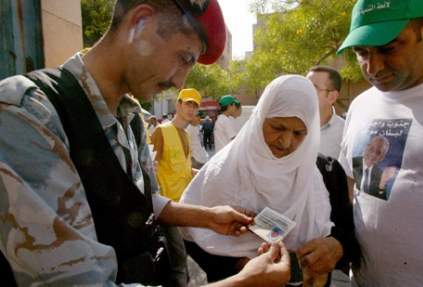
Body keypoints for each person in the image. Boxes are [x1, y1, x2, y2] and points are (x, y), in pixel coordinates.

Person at [0, 0, 291, 286]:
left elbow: (141, 200)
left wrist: (207, 217)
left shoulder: (131, 117)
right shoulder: (27, 113)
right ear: (141, 23)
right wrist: (244, 283)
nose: (180, 82)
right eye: (185, 58)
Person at [181, 75, 356, 285]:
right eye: (278, 128)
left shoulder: (326, 173)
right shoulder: (225, 169)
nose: (286, 142)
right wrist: (241, 267)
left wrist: (336, 246)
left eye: (299, 133)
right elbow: (191, 232)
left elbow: (348, 230)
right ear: (260, 118)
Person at [336, 0, 423, 286]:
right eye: (361, 52)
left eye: (388, 48)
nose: (373, 67)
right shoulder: (361, 105)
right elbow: (352, 186)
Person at [151, 88, 200, 201]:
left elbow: (182, 170)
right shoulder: (161, 131)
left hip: (184, 202)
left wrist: (203, 173)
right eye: (188, 104)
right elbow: (149, 170)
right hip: (167, 205)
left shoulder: (187, 136)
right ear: (178, 105)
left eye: (195, 106)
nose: (191, 109)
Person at [306, 66, 345, 159]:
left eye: (313, 88)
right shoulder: (289, 127)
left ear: (332, 97)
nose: (305, 92)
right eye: (305, 87)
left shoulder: (346, 133)